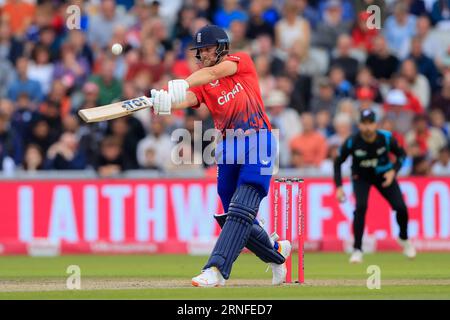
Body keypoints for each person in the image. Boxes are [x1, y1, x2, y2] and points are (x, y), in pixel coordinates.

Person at [150, 25, 290, 287]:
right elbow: (189, 98)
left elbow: (213, 72)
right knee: (234, 216)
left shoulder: (241, 62)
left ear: (222, 47)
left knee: (241, 208)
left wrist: (184, 80)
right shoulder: (204, 85)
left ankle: (215, 269)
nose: (202, 54)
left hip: (258, 140)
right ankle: (277, 253)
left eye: (207, 48)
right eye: (199, 50)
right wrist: (165, 102)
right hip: (228, 148)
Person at [333, 109, 416, 263]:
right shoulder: (352, 141)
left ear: (375, 124)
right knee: (361, 207)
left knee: (401, 207)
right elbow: (338, 162)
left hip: (384, 175)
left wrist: (393, 172)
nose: (367, 127)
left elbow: (402, 155)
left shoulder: (386, 138)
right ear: (359, 125)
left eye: (370, 123)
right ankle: (357, 249)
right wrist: (338, 187)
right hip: (361, 177)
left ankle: (404, 239)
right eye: (364, 124)